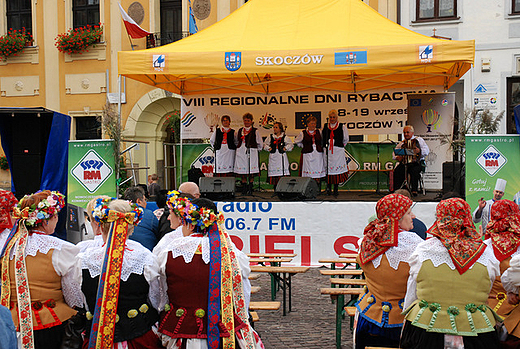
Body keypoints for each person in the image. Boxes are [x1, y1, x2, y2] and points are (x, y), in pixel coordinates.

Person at [154, 193, 262, 348]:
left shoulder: (169, 250)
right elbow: (243, 292)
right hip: (224, 330)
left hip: (181, 329)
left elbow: (160, 292)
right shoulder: (231, 252)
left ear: (190, 223)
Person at [401, 198, 500, 349]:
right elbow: (488, 286)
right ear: (467, 218)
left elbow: (412, 291)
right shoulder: (486, 253)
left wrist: (406, 319)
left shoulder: (423, 250)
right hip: (476, 331)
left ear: (439, 219)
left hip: (426, 329)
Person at [0, 190, 83, 349]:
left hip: (10, 322)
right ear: (45, 221)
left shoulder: (7, 245)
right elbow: (73, 291)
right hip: (49, 323)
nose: (57, 220)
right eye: (55, 216)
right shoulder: (59, 248)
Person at [78, 197, 163, 348]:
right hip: (139, 337)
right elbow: (156, 298)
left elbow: (78, 299)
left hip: (97, 337)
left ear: (100, 225)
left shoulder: (83, 259)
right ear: (131, 226)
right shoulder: (145, 256)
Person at [354, 193, 423, 349]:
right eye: (408, 212)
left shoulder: (367, 241)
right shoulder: (417, 246)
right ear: (397, 217)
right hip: (404, 322)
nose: (413, 216)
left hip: (369, 317)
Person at [393, 125, 429, 196]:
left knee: (414, 171)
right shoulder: (402, 143)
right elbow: (394, 153)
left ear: (412, 133)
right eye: (404, 132)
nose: (406, 134)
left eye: (407, 132)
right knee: (398, 171)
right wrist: (397, 157)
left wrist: (419, 151)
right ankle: (399, 190)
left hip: (416, 163)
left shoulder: (419, 140)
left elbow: (427, 151)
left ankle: (414, 190)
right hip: (405, 163)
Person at [322, 109, 349, 197]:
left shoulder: (342, 126)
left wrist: (339, 145)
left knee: (336, 171)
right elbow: (323, 137)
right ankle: (329, 189)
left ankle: (336, 190)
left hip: (337, 151)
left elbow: (346, 139)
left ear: (337, 118)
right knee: (329, 169)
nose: (332, 119)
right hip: (328, 151)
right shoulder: (325, 126)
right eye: (331, 117)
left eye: (334, 117)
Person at [234, 112, 263, 195]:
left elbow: (259, 142)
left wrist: (258, 150)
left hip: (251, 152)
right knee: (243, 171)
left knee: (251, 171)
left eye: (248, 120)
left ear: (251, 121)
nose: (246, 122)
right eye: (245, 120)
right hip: (241, 152)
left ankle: (250, 188)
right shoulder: (240, 130)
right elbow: (237, 141)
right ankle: (244, 188)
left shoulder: (255, 131)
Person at [124, 186, 160, 251]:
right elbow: (158, 233)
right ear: (138, 201)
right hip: (147, 252)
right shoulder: (149, 214)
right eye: (145, 200)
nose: (146, 203)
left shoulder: (121, 214)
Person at [294, 116, 325, 183]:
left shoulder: (319, 132)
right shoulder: (303, 133)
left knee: (317, 169)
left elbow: (322, 141)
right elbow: (296, 141)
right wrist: (303, 146)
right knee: (309, 169)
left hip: (318, 154)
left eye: (314, 123)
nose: (313, 125)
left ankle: (317, 188)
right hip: (308, 155)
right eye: (311, 123)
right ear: (308, 124)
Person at [263, 121, 294, 187]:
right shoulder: (270, 136)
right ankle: (275, 189)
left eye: (276, 127)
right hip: (273, 156)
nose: (274, 129)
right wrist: (269, 148)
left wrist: (285, 148)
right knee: (274, 174)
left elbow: (291, 144)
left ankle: (282, 189)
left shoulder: (284, 137)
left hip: (281, 156)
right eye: (274, 127)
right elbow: (265, 144)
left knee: (282, 172)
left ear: (280, 129)